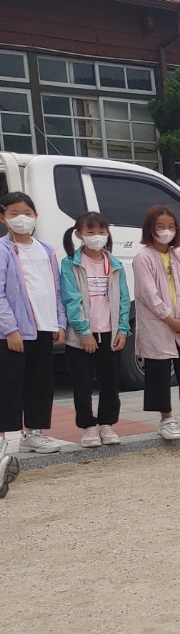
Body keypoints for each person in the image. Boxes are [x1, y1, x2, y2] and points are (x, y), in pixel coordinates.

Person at [132, 206, 180, 441]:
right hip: (158, 323)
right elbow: (148, 294)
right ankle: (166, 419)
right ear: (150, 229)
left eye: (170, 226)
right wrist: (169, 318)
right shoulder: (143, 258)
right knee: (158, 371)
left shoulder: (179, 257)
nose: (166, 231)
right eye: (160, 226)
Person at [0, 191, 66, 466]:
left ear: (36, 215)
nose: (21, 219)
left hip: (44, 326)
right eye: (14, 213)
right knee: (8, 384)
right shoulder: (2, 250)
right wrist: (10, 329)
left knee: (40, 383)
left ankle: (33, 433)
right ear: (3, 218)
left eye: (26, 213)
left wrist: (59, 322)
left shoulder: (47, 250)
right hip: (15, 332)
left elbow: (57, 289)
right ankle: (2, 439)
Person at [60, 213, 131, 448]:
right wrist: (84, 332)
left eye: (102, 231)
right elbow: (71, 299)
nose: (97, 236)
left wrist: (123, 329)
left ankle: (107, 424)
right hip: (82, 337)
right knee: (82, 384)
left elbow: (123, 300)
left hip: (109, 333)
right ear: (79, 234)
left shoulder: (115, 263)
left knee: (110, 381)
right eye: (90, 232)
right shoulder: (70, 263)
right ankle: (88, 427)